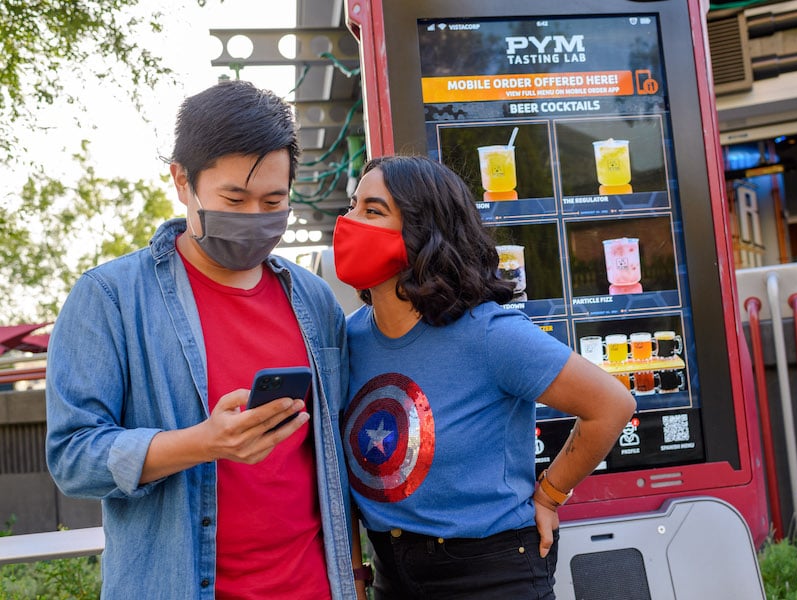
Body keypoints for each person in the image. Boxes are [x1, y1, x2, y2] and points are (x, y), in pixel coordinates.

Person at [45, 80, 360, 599]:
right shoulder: (110, 298)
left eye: (273, 201)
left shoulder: (314, 299)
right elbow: (73, 459)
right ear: (181, 181)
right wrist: (202, 444)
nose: (256, 218)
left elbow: (331, 456)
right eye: (234, 198)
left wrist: (356, 572)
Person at [334, 155, 636, 599]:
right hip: (392, 571)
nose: (348, 221)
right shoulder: (351, 336)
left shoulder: (489, 334)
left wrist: (550, 495)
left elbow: (612, 404)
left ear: (423, 231)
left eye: (372, 211)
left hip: (489, 572)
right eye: (352, 205)